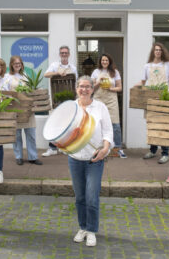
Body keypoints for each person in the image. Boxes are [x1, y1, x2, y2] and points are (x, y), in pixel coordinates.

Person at [68, 76, 113, 247]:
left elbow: (108, 131)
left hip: (95, 158)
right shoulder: (71, 108)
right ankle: (83, 227)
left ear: (92, 89)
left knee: (92, 197)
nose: (84, 90)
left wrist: (104, 149)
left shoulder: (100, 107)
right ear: (76, 88)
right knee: (80, 197)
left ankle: (92, 230)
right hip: (75, 158)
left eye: (87, 87)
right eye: (81, 86)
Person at [5, 55, 42, 165]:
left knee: (31, 134)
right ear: (11, 64)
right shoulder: (7, 77)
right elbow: (6, 93)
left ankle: (33, 157)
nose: (17, 65)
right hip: (15, 109)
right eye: (15, 63)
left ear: (22, 65)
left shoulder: (25, 76)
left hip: (27, 109)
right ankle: (18, 156)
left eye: (19, 63)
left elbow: (30, 91)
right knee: (16, 135)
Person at [42, 45, 78, 157]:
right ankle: (52, 148)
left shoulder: (72, 68)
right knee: (54, 123)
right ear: (59, 54)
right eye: (62, 53)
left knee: (67, 125)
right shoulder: (54, 65)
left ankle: (64, 147)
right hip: (56, 98)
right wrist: (58, 73)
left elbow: (76, 82)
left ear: (69, 54)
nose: (64, 54)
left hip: (69, 99)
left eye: (66, 53)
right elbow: (46, 74)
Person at [141, 42, 169, 164]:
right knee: (152, 125)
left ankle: (165, 153)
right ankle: (153, 150)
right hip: (151, 98)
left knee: (164, 126)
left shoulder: (168, 65)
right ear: (153, 52)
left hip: (164, 97)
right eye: (156, 50)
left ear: (162, 52)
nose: (158, 52)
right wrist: (137, 89)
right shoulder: (147, 66)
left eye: (160, 50)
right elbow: (143, 81)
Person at [91, 53, 126, 158]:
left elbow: (120, 87)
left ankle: (118, 148)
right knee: (98, 124)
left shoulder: (115, 72)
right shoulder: (96, 72)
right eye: (103, 60)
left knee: (115, 125)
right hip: (99, 100)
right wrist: (98, 83)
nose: (104, 62)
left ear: (109, 61)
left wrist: (110, 88)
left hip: (111, 100)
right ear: (100, 61)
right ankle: (99, 148)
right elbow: (91, 88)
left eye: (106, 60)